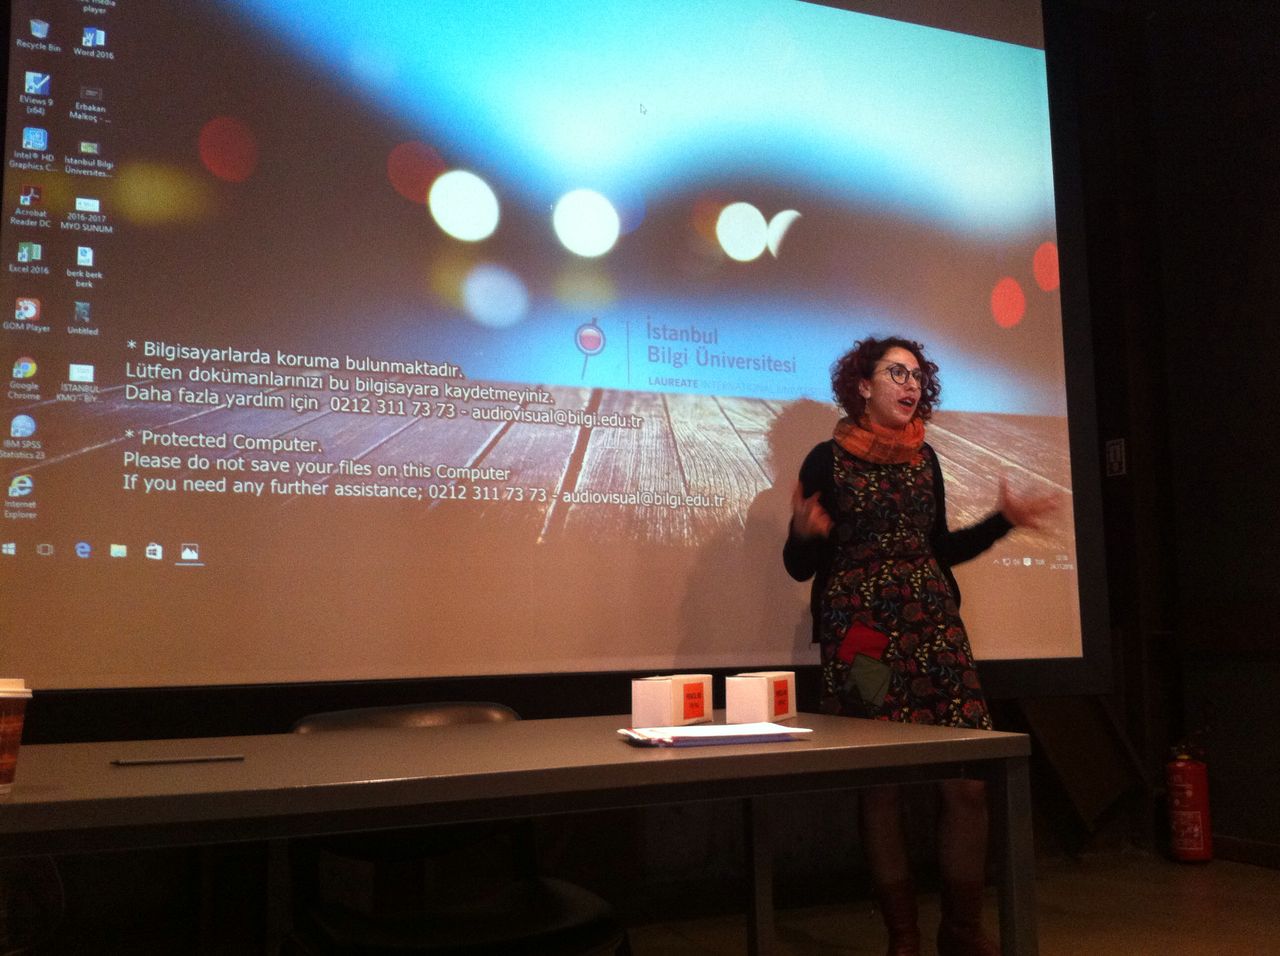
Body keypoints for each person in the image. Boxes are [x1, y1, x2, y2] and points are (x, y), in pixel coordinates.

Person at [783, 336, 1056, 956]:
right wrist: (802, 534)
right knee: (882, 785)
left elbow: (938, 548)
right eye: (896, 373)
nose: (910, 385)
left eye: (916, 375)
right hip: (863, 640)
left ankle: (961, 930)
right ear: (863, 386)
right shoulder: (825, 460)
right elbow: (799, 566)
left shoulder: (924, 457)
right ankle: (902, 937)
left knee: (967, 781)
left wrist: (1003, 521)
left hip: (934, 630)